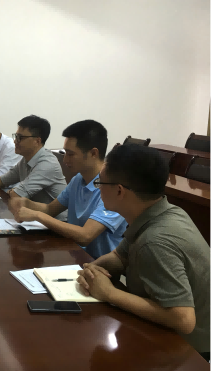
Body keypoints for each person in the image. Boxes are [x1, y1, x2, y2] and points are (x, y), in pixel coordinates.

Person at [76, 145, 211, 361]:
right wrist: (94, 268)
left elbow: (183, 320)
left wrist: (109, 293)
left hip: (188, 350)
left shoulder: (155, 241)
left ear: (119, 191)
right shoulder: (161, 212)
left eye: (100, 183)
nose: (97, 188)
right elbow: (120, 256)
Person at [10, 120, 127, 258]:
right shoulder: (78, 179)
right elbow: (50, 209)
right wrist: (26, 203)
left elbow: (86, 235)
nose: (65, 160)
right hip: (76, 255)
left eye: (70, 154)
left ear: (93, 153)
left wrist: (37, 215)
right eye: (65, 153)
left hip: (100, 264)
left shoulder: (113, 188)